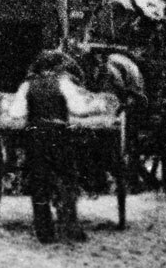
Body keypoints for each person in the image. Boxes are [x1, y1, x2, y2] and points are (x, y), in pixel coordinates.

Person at [23, 48, 106, 243]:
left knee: (39, 183)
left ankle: (44, 232)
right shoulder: (64, 83)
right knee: (68, 179)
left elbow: (17, 112)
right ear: (57, 68)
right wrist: (96, 107)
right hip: (59, 135)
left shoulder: (28, 85)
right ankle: (70, 228)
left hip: (35, 136)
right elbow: (79, 109)